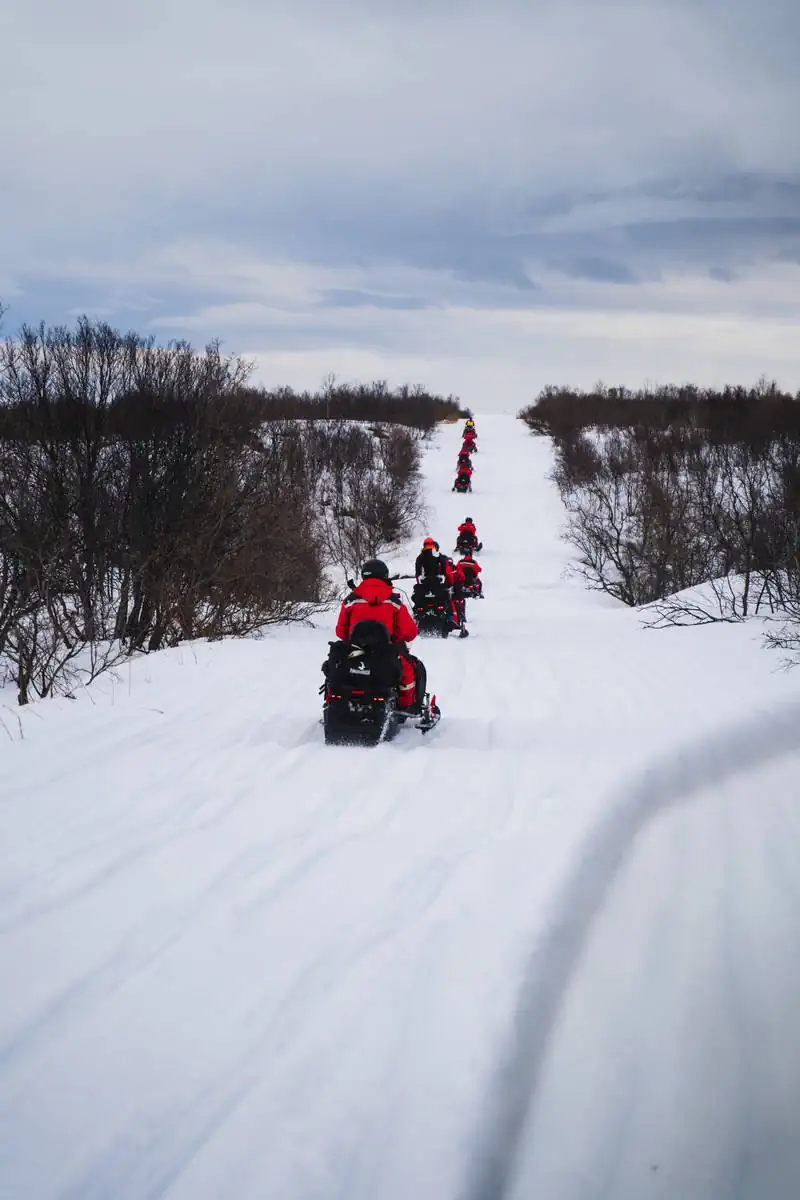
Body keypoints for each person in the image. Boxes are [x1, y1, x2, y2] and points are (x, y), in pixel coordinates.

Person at [335, 560, 425, 711]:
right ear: (384, 575)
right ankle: (405, 706)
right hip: (384, 652)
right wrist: (396, 638)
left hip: (355, 651)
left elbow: (341, 631)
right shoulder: (393, 601)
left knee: (336, 665)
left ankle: (338, 700)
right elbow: (410, 632)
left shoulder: (351, 600)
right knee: (408, 670)